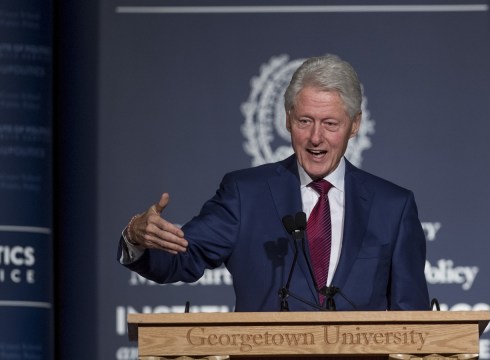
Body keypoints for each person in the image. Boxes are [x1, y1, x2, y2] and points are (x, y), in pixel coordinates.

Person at [118, 54, 430, 311]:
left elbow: (412, 320)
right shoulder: (245, 194)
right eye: (304, 121)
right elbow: (181, 259)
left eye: (330, 124)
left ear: (355, 125)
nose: (315, 137)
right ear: (287, 119)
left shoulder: (393, 207)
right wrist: (136, 238)